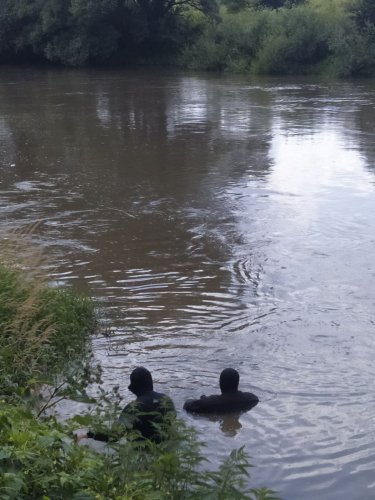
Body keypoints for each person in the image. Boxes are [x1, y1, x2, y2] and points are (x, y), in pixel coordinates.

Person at [78, 367, 176, 443]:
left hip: (142, 457)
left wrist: (87, 434)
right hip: (167, 454)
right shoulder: (166, 400)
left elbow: (114, 436)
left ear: (134, 387)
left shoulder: (133, 408)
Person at [183, 368, 259, 414]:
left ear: (220, 383)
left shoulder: (209, 402)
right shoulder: (251, 399)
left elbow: (187, 405)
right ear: (237, 383)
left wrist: (203, 399)